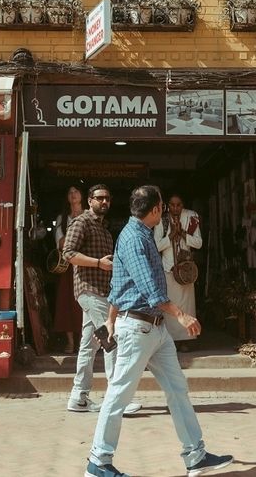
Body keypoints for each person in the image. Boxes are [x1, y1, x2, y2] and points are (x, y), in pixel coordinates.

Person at [85, 184, 233, 477]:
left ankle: (195, 455)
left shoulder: (137, 235)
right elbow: (149, 288)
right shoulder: (135, 239)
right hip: (139, 328)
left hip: (153, 328)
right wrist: (181, 314)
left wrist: (111, 320)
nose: (164, 210)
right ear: (154, 210)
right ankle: (98, 462)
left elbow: (118, 285)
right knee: (118, 396)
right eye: (162, 206)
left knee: (177, 389)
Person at [63, 183, 141, 415]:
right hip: (89, 291)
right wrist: (98, 263)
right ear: (89, 201)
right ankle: (118, 400)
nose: (104, 202)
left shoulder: (104, 229)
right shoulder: (82, 222)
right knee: (112, 338)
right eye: (99, 198)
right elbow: (68, 253)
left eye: (107, 198)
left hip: (101, 292)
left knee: (89, 346)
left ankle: (79, 397)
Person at [154, 194, 202, 351]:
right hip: (168, 268)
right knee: (170, 306)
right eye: (172, 205)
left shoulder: (191, 217)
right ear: (168, 205)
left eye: (178, 205)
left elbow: (199, 243)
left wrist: (183, 234)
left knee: (186, 307)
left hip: (185, 269)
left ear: (183, 205)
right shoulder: (162, 219)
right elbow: (157, 246)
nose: (175, 208)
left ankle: (186, 340)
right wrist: (171, 236)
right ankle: (171, 341)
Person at [53, 185, 85, 353]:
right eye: (70, 192)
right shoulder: (62, 218)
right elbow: (61, 243)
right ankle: (70, 341)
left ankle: (83, 341)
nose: (73, 195)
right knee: (66, 303)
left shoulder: (89, 216)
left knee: (84, 303)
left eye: (76, 191)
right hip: (67, 267)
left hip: (86, 267)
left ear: (82, 195)